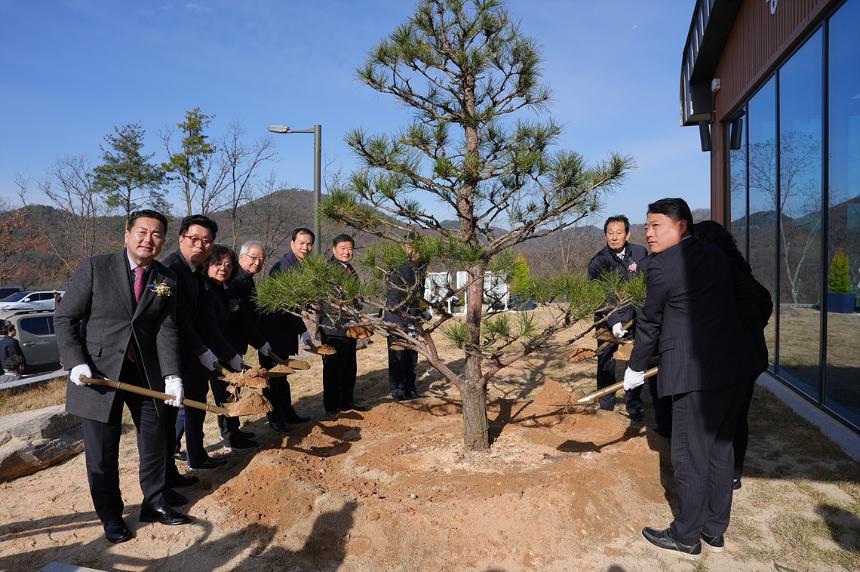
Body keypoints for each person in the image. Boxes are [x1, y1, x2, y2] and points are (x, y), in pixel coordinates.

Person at [54, 209, 191, 544]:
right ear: (126, 233)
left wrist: (172, 374)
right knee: (102, 453)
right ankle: (111, 516)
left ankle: (155, 502)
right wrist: (75, 362)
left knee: (155, 440)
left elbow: (166, 330)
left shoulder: (165, 278)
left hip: (145, 373)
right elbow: (65, 318)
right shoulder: (95, 267)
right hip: (97, 375)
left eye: (157, 234)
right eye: (142, 232)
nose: (149, 240)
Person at [624, 198, 750, 558]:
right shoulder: (717, 257)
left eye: (656, 225)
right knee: (720, 450)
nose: (648, 233)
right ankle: (714, 530)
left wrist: (634, 366)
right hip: (729, 369)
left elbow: (649, 323)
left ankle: (685, 535)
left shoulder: (661, 267)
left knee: (688, 455)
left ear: (681, 227)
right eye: (646, 226)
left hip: (692, 375)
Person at [693, 220, 773, 491]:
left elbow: (764, 300)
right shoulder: (733, 266)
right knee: (736, 414)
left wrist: (743, 329)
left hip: (740, 357)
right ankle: (731, 470)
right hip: (745, 354)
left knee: (732, 416)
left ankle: (732, 471)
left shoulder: (726, 268)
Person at [164, 215, 243, 471]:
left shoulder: (196, 273)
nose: (200, 244)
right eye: (194, 239)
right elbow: (174, 320)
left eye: (206, 240)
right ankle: (170, 469)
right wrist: (202, 350)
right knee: (179, 413)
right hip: (177, 356)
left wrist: (223, 354)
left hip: (197, 354)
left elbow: (204, 321)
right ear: (181, 238)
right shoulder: (170, 270)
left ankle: (196, 456)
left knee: (196, 408)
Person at [587, 215, 649, 421]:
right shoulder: (598, 262)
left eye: (619, 233)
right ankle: (606, 408)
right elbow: (601, 298)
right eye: (610, 233)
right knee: (606, 360)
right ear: (605, 235)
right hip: (607, 320)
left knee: (635, 361)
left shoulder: (640, 253)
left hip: (635, 318)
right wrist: (614, 322)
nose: (614, 237)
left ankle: (634, 406)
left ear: (627, 234)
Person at [201, 244, 258, 451]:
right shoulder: (206, 289)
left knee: (232, 392)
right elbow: (210, 329)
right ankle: (229, 438)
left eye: (227, 265)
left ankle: (234, 432)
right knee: (223, 395)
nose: (223, 268)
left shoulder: (221, 288)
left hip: (226, 349)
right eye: (218, 264)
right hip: (211, 353)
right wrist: (229, 354)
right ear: (208, 264)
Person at [257, 227, 315, 430]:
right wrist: (302, 330)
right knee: (273, 377)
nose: (305, 247)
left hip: (285, 330)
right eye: (301, 243)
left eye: (309, 244)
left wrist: (302, 330)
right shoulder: (283, 267)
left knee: (283, 377)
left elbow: (295, 307)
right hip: (273, 332)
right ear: (292, 244)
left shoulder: (301, 266)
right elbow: (282, 308)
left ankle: (287, 413)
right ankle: (275, 417)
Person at [223, 240, 273, 443]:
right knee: (229, 389)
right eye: (253, 258)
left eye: (261, 259)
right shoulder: (235, 280)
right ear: (241, 257)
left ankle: (234, 431)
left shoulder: (248, 279)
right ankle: (229, 435)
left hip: (238, 343)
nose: (257, 263)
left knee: (236, 387)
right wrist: (260, 342)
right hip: (228, 343)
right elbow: (241, 319)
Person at [319, 234, 365, 416]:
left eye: (349, 249)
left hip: (350, 327)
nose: (346, 252)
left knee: (349, 367)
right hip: (334, 327)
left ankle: (347, 401)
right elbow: (330, 301)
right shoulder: (329, 269)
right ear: (334, 250)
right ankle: (332, 407)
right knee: (333, 370)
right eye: (343, 248)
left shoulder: (350, 269)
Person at [383, 235, 428, 401]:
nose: (415, 250)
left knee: (412, 356)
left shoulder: (420, 266)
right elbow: (394, 296)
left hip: (412, 316)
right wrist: (402, 320)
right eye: (410, 246)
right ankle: (399, 392)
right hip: (397, 317)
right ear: (405, 248)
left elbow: (419, 293)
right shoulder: (399, 266)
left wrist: (422, 311)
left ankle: (411, 388)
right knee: (398, 357)